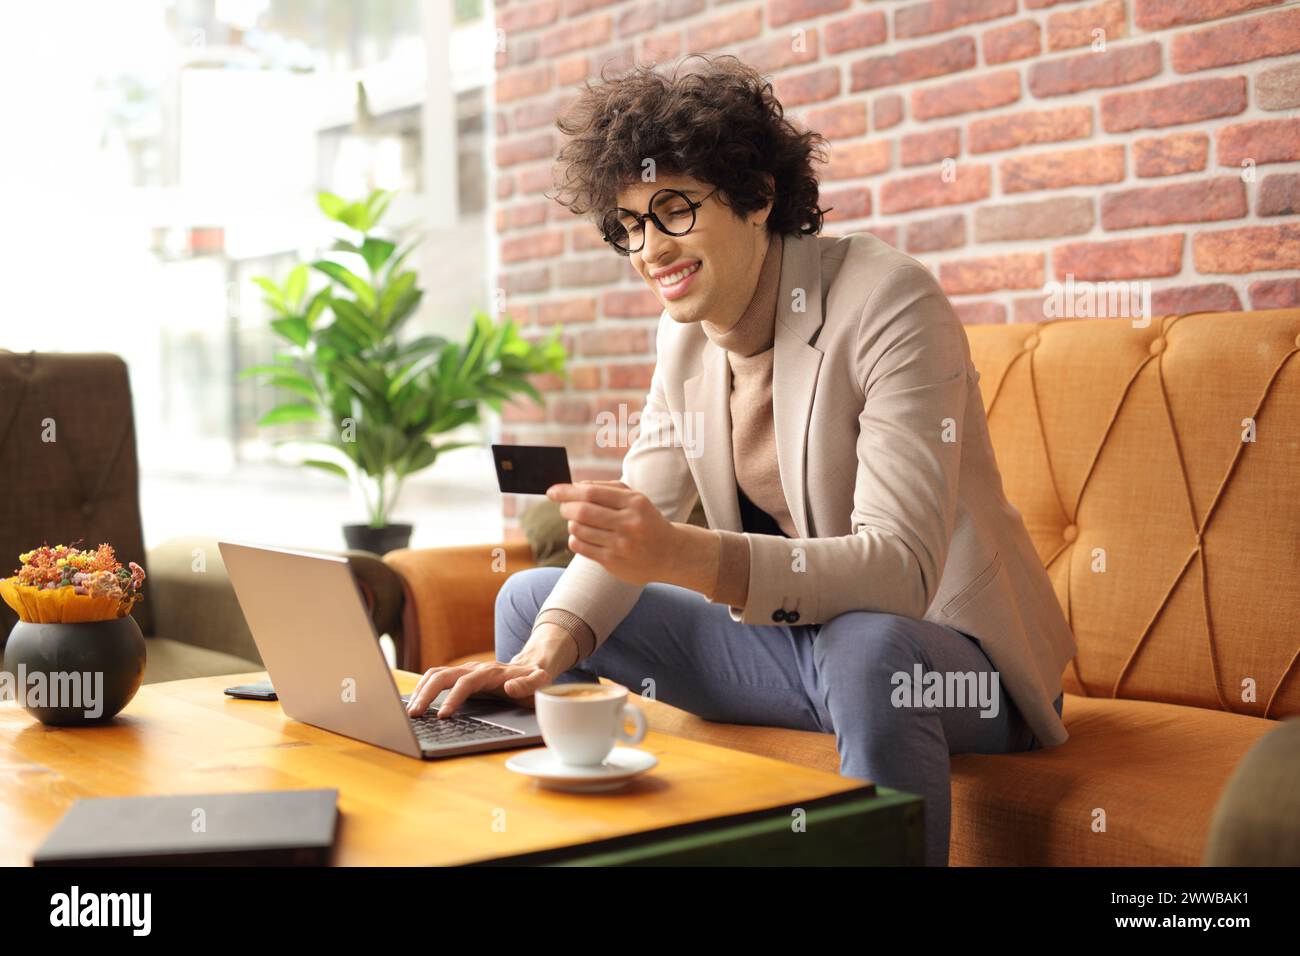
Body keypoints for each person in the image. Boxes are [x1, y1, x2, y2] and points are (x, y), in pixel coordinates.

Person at [407, 53, 1076, 867]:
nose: (650, 249)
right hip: (800, 650)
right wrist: (536, 659)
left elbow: (902, 572)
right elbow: (642, 509)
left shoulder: (890, 300)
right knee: (532, 603)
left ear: (757, 196)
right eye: (630, 227)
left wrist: (683, 552)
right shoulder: (683, 336)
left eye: (673, 210)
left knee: (868, 646)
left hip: (946, 661)